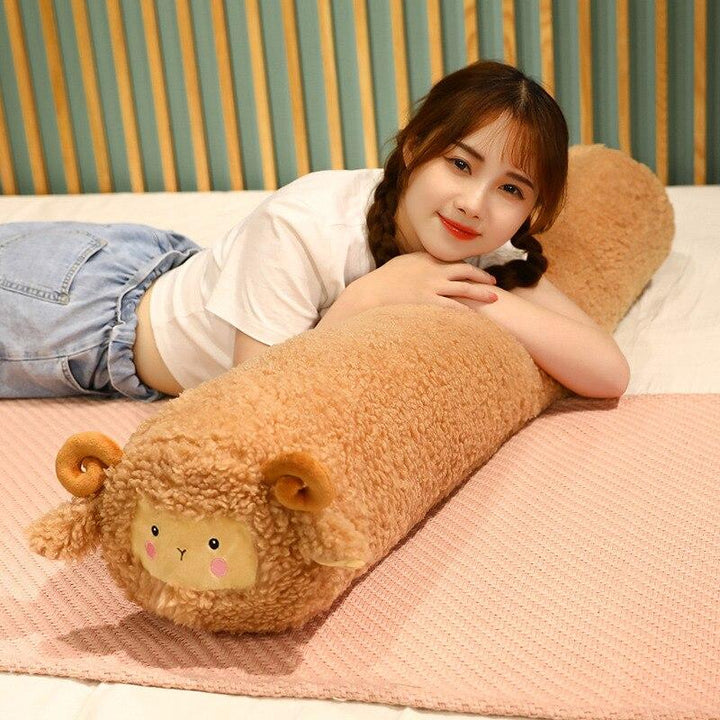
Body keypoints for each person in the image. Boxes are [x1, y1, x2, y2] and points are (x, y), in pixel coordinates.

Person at [0, 61, 629, 402]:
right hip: (85, 317)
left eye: (511, 189)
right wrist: (366, 300)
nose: (474, 204)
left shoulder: (487, 248)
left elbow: (607, 372)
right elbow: (257, 397)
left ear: (532, 210)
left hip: (159, 268)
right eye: (460, 164)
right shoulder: (304, 225)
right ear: (415, 147)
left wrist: (482, 301)